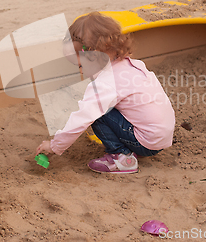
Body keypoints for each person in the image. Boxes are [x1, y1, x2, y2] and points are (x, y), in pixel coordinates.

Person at [35, 12, 175, 174]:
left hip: (145, 142)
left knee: (96, 112)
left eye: (80, 65)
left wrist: (54, 146)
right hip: (161, 137)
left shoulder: (106, 82)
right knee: (102, 106)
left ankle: (121, 157)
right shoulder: (133, 65)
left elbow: (82, 118)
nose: (80, 71)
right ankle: (129, 147)